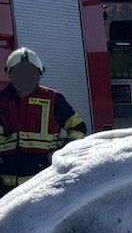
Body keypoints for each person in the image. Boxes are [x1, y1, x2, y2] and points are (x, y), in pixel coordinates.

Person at [0, 46, 87, 194]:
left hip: (42, 183)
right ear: (10, 74)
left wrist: (60, 153)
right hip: (5, 184)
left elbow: (78, 128)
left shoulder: (53, 99)